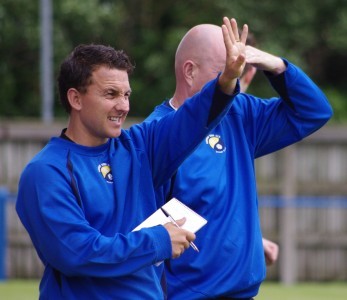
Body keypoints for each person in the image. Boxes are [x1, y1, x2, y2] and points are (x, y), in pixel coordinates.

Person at [15, 17, 249, 299]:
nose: (123, 105)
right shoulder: (46, 172)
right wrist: (158, 240)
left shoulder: (140, 147)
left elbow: (192, 118)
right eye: (111, 94)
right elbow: (79, 253)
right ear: (76, 99)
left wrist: (226, 79)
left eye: (127, 94)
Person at [145, 23, 333, 299]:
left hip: (244, 293)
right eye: (225, 70)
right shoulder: (156, 134)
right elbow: (148, 235)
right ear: (189, 71)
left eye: (238, 69)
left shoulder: (239, 114)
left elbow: (314, 112)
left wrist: (275, 64)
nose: (233, 79)